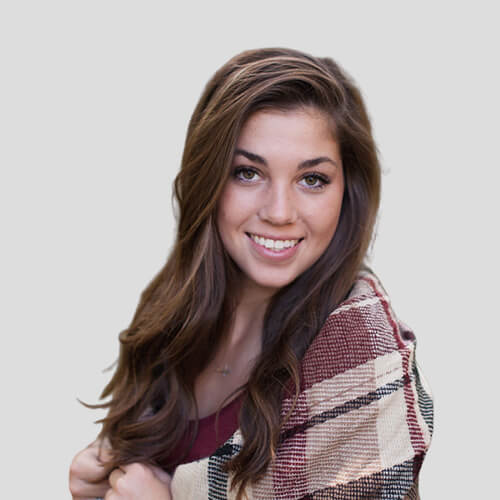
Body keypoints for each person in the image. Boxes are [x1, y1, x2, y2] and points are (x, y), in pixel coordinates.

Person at [69, 47, 433, 500]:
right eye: (247, 173)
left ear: (348, 193)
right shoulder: (173, 311)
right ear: (208, 180)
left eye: (312, 179)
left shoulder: (364, 354)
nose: (279, 212)